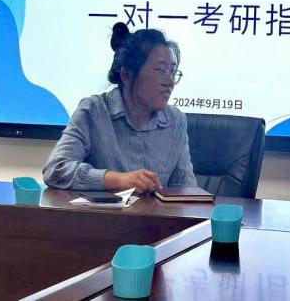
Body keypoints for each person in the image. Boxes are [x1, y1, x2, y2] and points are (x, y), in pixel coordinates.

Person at [43, 23, 197, 194]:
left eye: (172, 72)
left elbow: (187, 191)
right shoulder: (93, 111)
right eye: (159, 70)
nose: (169, 82)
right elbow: (56, 170)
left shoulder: (176, 121)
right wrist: (119, 180)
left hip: (156, 212)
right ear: (127, 75)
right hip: (104, 212)